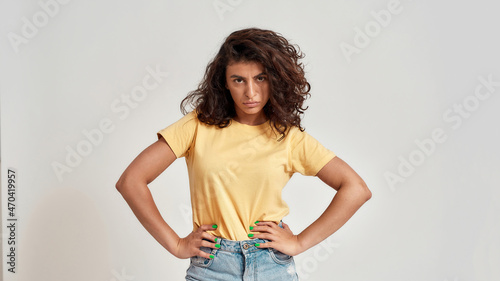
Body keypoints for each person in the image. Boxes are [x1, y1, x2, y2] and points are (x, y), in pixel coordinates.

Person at [116, 27, 372, 281]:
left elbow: (356, 189)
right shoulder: (197, 126)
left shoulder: (289, 137)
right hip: (211, 266)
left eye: (260, 78)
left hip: (271, 265)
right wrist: (176, 245)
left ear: (275, 79)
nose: (251, 92)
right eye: (239, 80)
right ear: (224, 83)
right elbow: (131, 181)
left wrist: (299, 242)